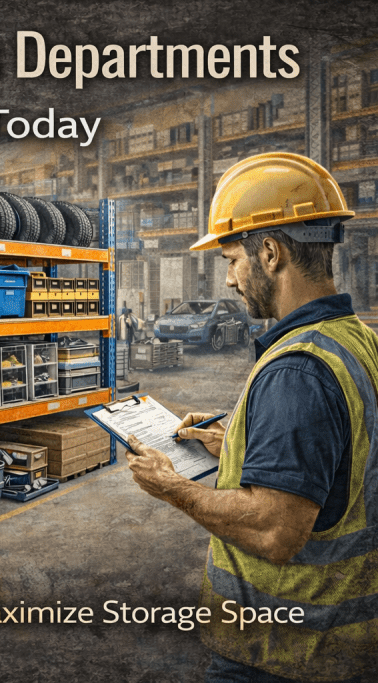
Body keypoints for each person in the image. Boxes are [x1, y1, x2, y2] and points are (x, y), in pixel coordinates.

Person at [123, 153, 378, 683]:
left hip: (282, 649)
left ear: (269, 252)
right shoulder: (356, 340)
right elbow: (342, 454)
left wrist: (172, 487)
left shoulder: (299, 370)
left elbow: (273, 532)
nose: (231, 281)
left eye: (231, 261)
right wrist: (236, 442)